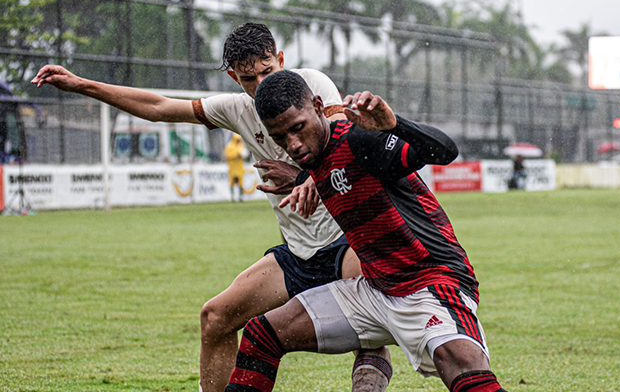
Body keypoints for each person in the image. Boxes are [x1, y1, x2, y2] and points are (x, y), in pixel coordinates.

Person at [31, 23, 391, 392]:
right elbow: (158, 107)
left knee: (371, 328)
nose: (261, 84)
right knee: (215, 317)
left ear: (281, 60)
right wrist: (81, 84)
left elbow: (345, 145)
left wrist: (305, 179)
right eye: (249, 77)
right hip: (299, 253)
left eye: (268, 71)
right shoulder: (237, 108)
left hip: (348, 240)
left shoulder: (312, 84)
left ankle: (379, 356)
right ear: (235, 77)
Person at [223, 70, 509, 392]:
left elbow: (444, 151)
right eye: (280, 138)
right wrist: (305, 179)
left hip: (431, 281)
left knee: (459, 361)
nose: (294, 144)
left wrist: (394, 125)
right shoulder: (313, 157)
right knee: (263, 334)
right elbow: (326, 167)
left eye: (297, 128)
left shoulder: (361, 139)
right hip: (375, 291)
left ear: (318, 106)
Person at [224, 134, 249, 202]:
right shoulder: (230, 146)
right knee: (232, 182)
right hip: (232, 167)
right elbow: (228, 155)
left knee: (240, 182)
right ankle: (232, 196)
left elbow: (245, 154)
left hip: (240, 167)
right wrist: (237, 154)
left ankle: (241, 196)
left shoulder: (241, 146)